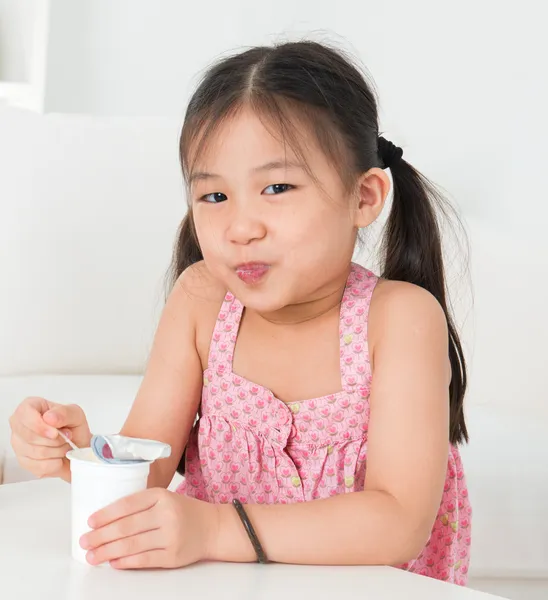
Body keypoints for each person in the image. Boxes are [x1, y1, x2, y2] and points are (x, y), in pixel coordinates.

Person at [9, 40, 471, 584]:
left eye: (276, 187)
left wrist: (213, 530)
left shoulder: (399, 319)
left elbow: (396, 521)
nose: (240, 228)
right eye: (214, 197)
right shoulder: (203, 301)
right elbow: (150, 465)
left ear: (364, 197)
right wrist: (81, 454)